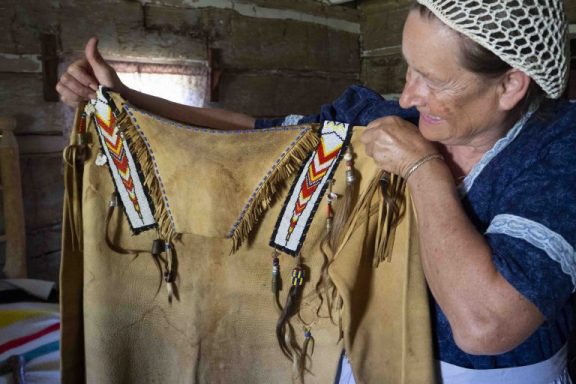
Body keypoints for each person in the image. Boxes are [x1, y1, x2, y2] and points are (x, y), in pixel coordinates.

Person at [57, 0, 576, 383]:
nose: (410, 95)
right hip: (362, 362)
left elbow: (485, 326)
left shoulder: (558, 152)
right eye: (408, 69)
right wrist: (128, 99)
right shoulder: (377, 118)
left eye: (434, 80)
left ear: (511, 84)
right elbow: (256, 134)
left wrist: (423, 169)